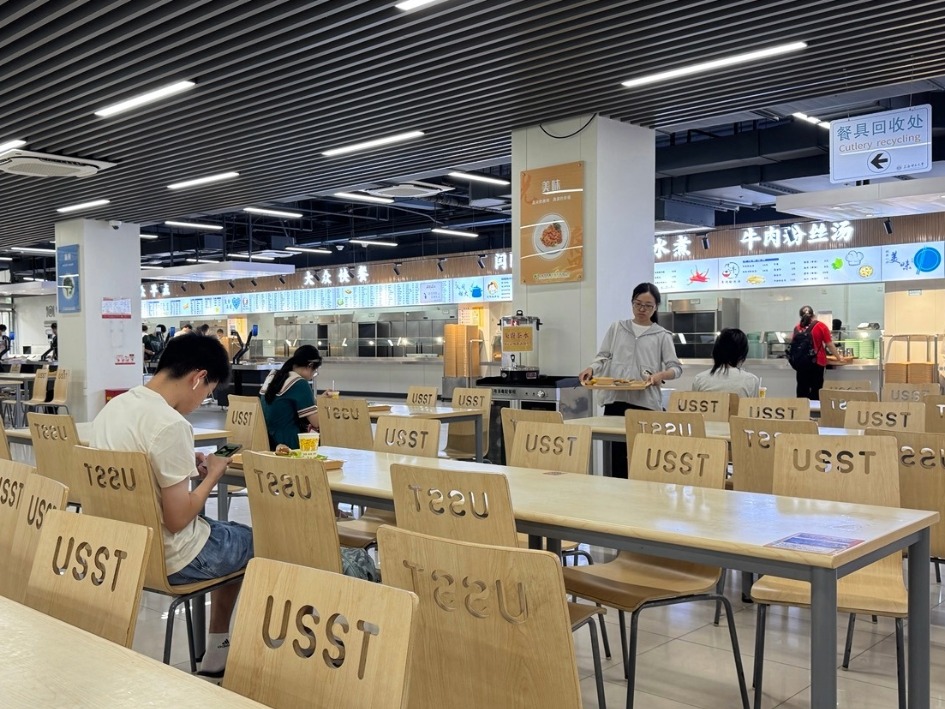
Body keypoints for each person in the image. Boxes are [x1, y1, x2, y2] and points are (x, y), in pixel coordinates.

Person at [89, 334, 252, 678]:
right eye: (208, 391)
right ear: (197, 377)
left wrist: (185, 464)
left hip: (123, 549)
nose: (203, 400)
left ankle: (218, 650)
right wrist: (213, 475)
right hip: (171, 557)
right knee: (253, 542)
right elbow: (177, 519)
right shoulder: (171, 423)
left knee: (230, 533)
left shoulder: (115, 407)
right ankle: (219, 651)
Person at [578, 282, 682, 478]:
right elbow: (603, 356)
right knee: (616, 460)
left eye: (648, 306)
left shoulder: (662, 335)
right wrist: (591, 368)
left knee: (643, 459)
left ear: (656, 307)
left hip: (645, 404)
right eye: (638, 304)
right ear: (632, 303)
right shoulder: (618, 328)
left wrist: (660, 376)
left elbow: (676, 368)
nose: (642, 309)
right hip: (615, 401)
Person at [259, 345, 322, 449]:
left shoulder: (274, 376)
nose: (314, 374)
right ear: (310, 365)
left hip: (269, 442)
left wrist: (320, 400)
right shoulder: (299, 383)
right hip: (290, 443)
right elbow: (317, 422)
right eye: (315, 371)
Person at [793, 305, 844, 401]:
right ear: (814, 315)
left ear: (800, 316)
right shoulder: (821, 326)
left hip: (801, 363)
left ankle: (801, 409)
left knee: (802, 389)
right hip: (817, 362)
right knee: (816, 389)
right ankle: (815, 409)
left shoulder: (797, 327)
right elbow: (829, 344)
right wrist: (838, 357)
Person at [691, 328, 760, 398]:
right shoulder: (752, 381)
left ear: (716, 351)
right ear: (742, 354)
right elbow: (753, 404)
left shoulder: (699, 379)